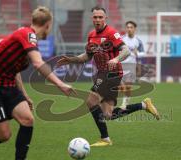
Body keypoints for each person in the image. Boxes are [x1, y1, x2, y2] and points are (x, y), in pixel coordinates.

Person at [56, 6, 159, 147]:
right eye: (95, 17)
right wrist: (71, 59)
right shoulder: (91, 35)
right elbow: (87, 56)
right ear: (92, 18)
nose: (97, 19)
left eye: (100, 17)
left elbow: (126, 50)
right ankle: (143, 105)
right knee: (107, 115)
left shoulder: (111, 33)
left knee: (91, 100)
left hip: (112, 73)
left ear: (105, 18)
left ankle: (105, 138)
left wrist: (116, 59)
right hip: (103, 73)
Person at [0, 6, 76, 160]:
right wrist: (61, 85)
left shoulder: (26, 38)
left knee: (27, 119)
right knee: (4, 134)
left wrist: (24, 95)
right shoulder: (27, 34)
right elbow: (38, 63)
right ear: (47, 25)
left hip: (8, 86)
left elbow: (15, 69)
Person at [120, 20, 144, 108]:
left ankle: (125, 101)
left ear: (135, 29)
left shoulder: (138, 41)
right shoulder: (121, 39)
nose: (129, 29)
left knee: (128, 86)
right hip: (121, 64)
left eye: (131, 27)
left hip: (131, 65)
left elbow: (143, 53)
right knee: (121, 86)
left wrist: (137, 53)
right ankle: (126, 98)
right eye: (128, 27)